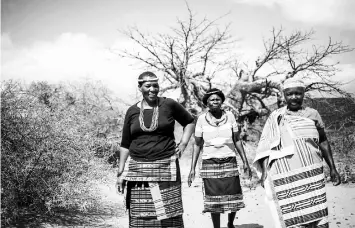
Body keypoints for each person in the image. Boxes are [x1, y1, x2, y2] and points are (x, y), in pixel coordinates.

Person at [253, 78, 341, 228]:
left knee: (318, 211)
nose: (294, 97)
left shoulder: (313, 114)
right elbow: (265, 146)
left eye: (298, 93)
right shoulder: (275, 117)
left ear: (303, 94)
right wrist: (264, 174)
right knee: (292, 216)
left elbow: (323, 141)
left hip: (313, 171)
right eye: (290, 94)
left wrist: (333, 168)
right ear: (284, 96)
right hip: (285, 173)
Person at [116, 71, 195, 228]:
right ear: (140, 88)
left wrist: (183, 143)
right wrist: (120, 172)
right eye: (148, 86)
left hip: (166, 164)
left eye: (155, 85)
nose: (152, 89)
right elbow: (125, 143)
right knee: (140, 212)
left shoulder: (169, 104)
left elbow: (190, 121)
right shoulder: (132, 111)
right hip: (138, 168)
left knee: (169, 210)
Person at [187, 88, 252, 228]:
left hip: (229, 160)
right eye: (211, 100)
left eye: (217, 99)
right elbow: (197, 144)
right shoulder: (201, 120)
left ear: (222, 101)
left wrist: (245, 161)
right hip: (209, 163)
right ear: (206, 103)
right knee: (213, 199)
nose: (215, 101)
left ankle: (230, 223)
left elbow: (237, 140)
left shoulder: (230, 116)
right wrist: (192, 168)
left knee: (234, 194)